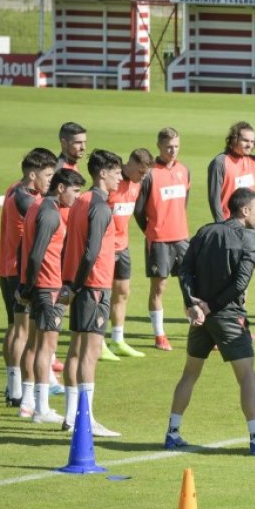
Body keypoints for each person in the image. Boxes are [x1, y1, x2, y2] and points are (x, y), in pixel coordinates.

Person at [165, 188, 255, 456]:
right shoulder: (249, 239)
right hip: (228, 316)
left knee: (190, 373)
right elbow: (240, 283)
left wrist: (193, 304)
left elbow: (184, 270)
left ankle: (172, 432)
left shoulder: (205, 231)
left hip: (200, 318)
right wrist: (211, 306)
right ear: (245, 211)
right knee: (247, 377)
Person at [59, 149, 124, 437]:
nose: (120, 177)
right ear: (102, 174)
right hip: (94, 285)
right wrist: (78, 285)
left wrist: (69, 281)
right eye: (117, 172)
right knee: (90, 353)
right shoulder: (99, 206)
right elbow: (91, 251)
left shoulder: (80, 201)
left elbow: (70, 245)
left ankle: (72, 417)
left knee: (75, 349)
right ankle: (86, 420)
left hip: (80, 283)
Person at [17, 168, 86, 424]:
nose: (77, 197)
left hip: (40, 286)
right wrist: (28, 286)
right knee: (47, 347)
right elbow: (36, 254)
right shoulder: (49, 214)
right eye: (75, 191)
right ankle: (41, 408)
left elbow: (24, 247)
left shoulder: (36, 207)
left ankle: (29, 402)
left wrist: (25, 285)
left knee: (35, 345)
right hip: (49, 287)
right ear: (60, 188)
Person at [0, 148, 56, 407]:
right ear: (33, 175)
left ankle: (13, 388)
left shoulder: (15, 189)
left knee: (14, 328)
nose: (51, 181)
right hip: (19, 271)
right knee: (24, 333)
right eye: (47, 175)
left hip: (7, 267)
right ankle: (21, 393)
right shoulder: (28, 202)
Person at [134, 127, 191, 351]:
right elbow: (138, 211)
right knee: (159, 287)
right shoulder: (150, 174)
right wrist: (151, 230)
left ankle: (197, 331)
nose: (173, 150)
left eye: (176, 146)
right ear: (159, 146)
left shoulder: (185, 171)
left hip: (182, 238)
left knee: (190, 286)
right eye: (168, 147)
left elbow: (183, 203)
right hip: (158, 240)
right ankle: (159, 335)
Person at [105, 148, 152, 359]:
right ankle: (97, 342)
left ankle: (117, 340)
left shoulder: (137, 184)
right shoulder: (111, 183)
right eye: (140, 172)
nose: (142, 177)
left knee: (123, 291)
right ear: (129, 164)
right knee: (102, 295)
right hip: (104, 248)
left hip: (122, 246)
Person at [208, 121, 255, 222]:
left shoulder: (252, 161)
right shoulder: (220, 162)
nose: (250, 145)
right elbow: (214, 198)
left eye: (252, 142)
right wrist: (220, 225)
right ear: (234, 139)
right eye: (245, 141)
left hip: (250, 222)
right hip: (229, 222)